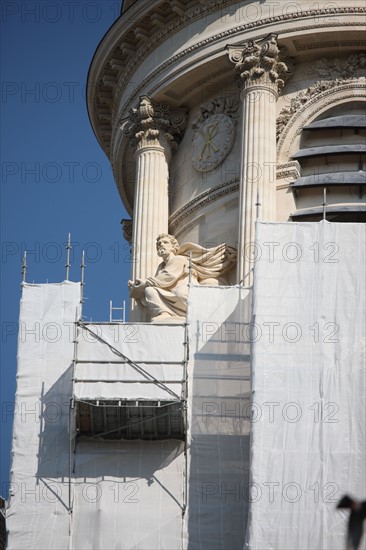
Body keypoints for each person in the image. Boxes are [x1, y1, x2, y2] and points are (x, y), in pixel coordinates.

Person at [128, 233, 236, 322]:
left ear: (173, 247)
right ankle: (164, 312)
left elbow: (168, 277)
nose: (161, 245)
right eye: (159, 243)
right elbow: (158, 283)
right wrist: (138, 293)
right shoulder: (161, 267)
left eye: (165, 242)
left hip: (186, 294)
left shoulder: (178, 259)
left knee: (159, 289)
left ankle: (168, 313)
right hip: (174, 295)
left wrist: (144, 284)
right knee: (150, 290)